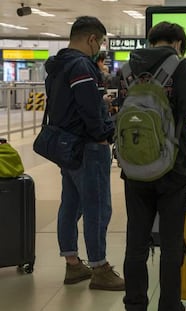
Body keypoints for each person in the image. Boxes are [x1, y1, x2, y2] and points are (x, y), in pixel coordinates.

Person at [121, 22, 186, 311]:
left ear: (152, 41)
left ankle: (134, 304)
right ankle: (170, 306)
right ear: (178, 44)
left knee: (136, 242)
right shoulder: (180, 67)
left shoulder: (127, 70)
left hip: (133, 167)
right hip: (173, 167)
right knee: (171, 245)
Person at [44, 16, 124, 291]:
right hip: (88, 146)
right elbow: (90, 110)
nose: (99, 48)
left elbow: (68, 103)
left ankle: (73, 263)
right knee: (98, 207)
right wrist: (103, 135)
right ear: (91, 39)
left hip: (67, 146)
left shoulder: (58, 65)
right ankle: (100, 267)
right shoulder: (81, 65)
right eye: (99, 42)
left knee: (72, 203)